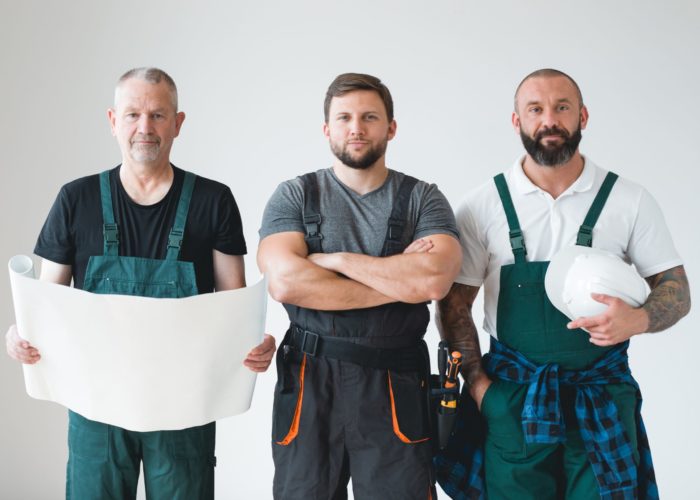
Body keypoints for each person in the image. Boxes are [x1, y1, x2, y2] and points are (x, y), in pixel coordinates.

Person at [5, 67, 276, 500]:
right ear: (113, 121)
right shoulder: (76, 199)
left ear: (178, 123)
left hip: (185, 410)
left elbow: (234, 306)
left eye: (157, 115)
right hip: (95, 407)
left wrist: (254, 345)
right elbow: (46, 304)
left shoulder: (213, 201)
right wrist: (19, 335)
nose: (144, 127)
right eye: (132, 115)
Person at [435, 68, 691, 499]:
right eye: (535, 109)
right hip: (513, 398)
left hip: (601, 395)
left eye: (562, 107)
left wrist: (640, 318)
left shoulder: (627, 200)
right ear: (517, 121)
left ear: (583, 117)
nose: (549, 119)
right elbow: (453, 304)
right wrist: (480, 388)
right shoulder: (483, 205)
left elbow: (676, 288)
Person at [257, 72, 462, 499]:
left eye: (370, 117)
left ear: (391, 127)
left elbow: (434, 277)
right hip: (310, 381)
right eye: (344, 117)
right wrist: (400, 278)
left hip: (395, 383)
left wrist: (335, 261)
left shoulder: (424, 199)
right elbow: (285, 282)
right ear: (326, 128)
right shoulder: (293, 196)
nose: (356, 127)